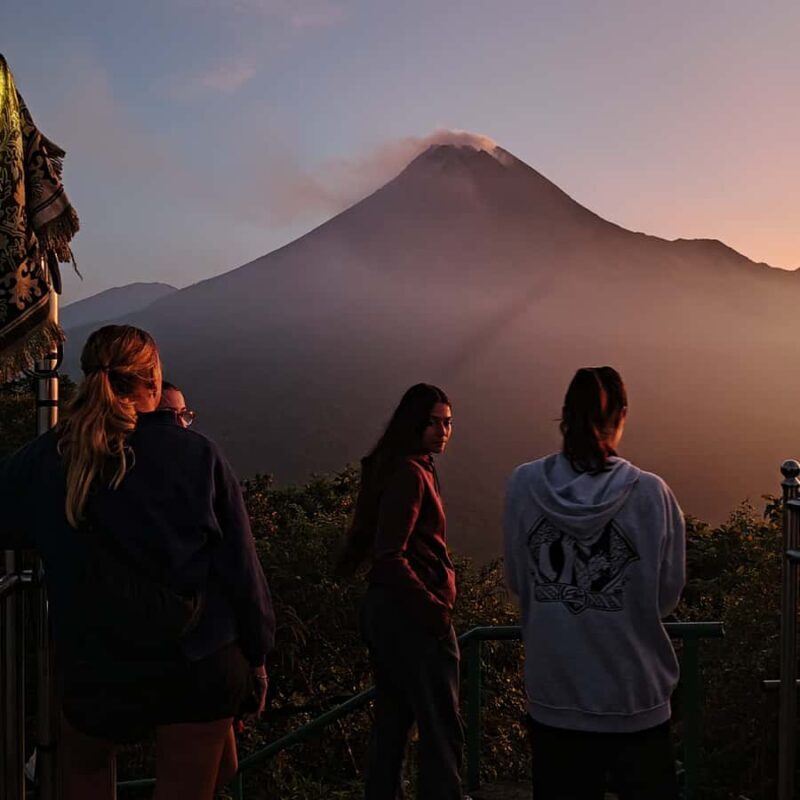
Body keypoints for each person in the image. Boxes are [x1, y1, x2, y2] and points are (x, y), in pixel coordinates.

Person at [0, 325, 275, 800]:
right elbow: (241, 571)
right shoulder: (197, 454)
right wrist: (259, 655)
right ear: (153, 380)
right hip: (197, 659)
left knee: (84, 769)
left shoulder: (50, 457)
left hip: (97, 663)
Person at [503, 366, 686, 800]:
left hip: (555, 697)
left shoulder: (523, 486)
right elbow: (666, 596)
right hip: (635, 700)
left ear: (565, 416)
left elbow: (518, 581)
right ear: (622, 415)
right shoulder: (651, 494)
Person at [338, 383, 463, 800]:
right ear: (413, 423)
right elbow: (390, 556)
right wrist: (435, 610)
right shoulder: (410, 472)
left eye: (448, 423)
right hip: (412, 615)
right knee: (440, 724)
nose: (442, 431)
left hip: (388, 613)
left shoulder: (402, 466)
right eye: (433, 422)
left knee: (393, 721)